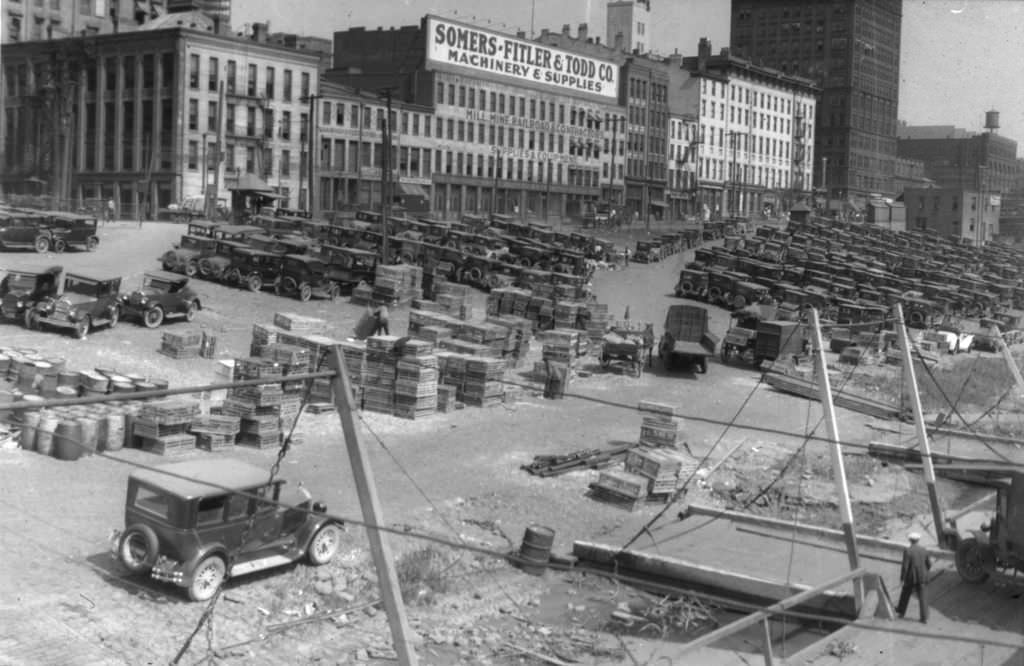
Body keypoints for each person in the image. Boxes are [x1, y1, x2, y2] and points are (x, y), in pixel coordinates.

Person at [896, 532, 932, 623]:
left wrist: (902, 578)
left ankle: (901, 612)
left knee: (905, 593)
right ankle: (924, 618)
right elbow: (929, 564)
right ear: (918, 540)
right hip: (923, 577)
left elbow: (905, 567)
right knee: (923, 596)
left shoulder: (908, 551)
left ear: (910, 540)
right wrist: (925, 571)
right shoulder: (924, 550)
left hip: (911, 577)